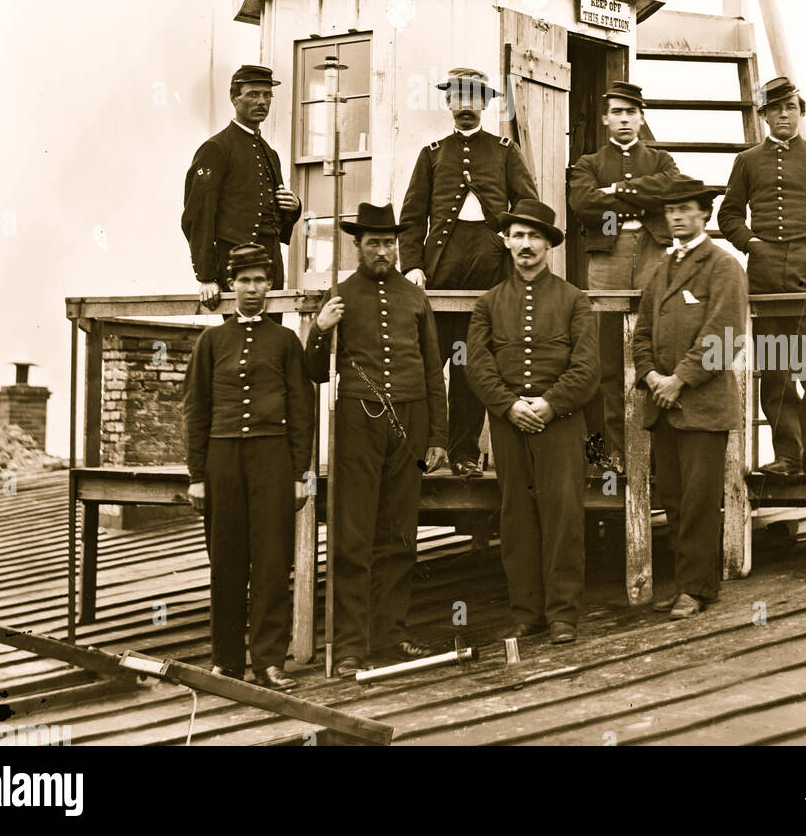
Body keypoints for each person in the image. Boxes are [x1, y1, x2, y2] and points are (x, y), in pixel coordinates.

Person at [306, 202, 449, 679]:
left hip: (409, 423)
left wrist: (438, 437)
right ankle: (350, 644)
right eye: (373, 244)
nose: (383, 251)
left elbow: (433, 370)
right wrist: (318, 329)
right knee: (353, 536)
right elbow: (312, 372)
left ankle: (393, 632)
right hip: (357, 423)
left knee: (400, 533)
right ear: (358, 247)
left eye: (389, 243)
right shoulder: (339, 296)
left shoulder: (414, 297)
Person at [466, 200, 599, 644]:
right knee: (516, 517)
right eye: (517, 236)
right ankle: (527, 613)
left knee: (563, 516)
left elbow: (586, 369)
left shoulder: (573, 300)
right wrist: (508, 406)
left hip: (559, 424)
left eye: (534, 237)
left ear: (548, 245)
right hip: (509, 424)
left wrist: (548, 403)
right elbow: (478, 367)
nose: (525, 245)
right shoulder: (488, 303)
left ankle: (563, 614)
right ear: (506, 243)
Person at [183, 244, 314, 688]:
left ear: (270, 284)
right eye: (244, 281)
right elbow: (196, 410)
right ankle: (226, 660)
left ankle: (270, 660)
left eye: (260, 280)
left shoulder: (285, 342)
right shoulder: (212, 341)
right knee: (226, 561)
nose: (253, 289)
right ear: (230, 286)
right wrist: (197, 477)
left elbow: (301, 411)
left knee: (273, 562)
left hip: (273, 461)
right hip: (222, 463)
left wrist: (300, 474)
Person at [399, 66, 538, 479]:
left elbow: (527, 206)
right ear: (447, 103)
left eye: (473, 98)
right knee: (428, 364)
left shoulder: (504, 151)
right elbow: (411, 218)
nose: (465, 106)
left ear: (485, 104)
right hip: (440, 272)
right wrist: (413, 266)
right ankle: (423, 450)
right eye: (457, 98)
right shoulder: (432, 154)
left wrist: (510, 250)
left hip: (489, 271)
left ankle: (463, 454)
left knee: (471, 367)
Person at [718, 77, 806, 476]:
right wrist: (752, 245)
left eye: (791, 107)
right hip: (764, 279)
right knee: (778, 369)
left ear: (801, 112)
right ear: (762, 115)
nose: (784, 114)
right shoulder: (747, 162)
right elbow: (728, 215)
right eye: (775, 108)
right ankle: (788, 456)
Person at [631, 177, 746, 619]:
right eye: (670, 210)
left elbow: (726, 334)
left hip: (701, 407)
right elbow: (642, 335)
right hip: (662, 406)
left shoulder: (723, 265)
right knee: (675, 501)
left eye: (686, 209)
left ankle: (696, 589)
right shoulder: (659, 270)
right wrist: (651, 375)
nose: (676, 217)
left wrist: (679, 379)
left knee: (699, 501)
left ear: (704, 214)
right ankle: (688, 583)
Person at [568, 81, 680, 471]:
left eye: (631, 112)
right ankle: (616, 453)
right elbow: (583, 202)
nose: (624, 119)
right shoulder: (588, 163)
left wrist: (616, 188)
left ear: (642, 117)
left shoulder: (661, 160)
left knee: (656, 352)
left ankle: (653, 454)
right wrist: (641, 196)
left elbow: (670, 188)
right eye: (616, 112)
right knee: (609, 362)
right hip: (607, 261)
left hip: (653, 256)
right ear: (604, 119)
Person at [182, 64, 302, 311]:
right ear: (234, 97)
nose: (262, 102)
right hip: (235, 267)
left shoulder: (270, 153)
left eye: (267, 95)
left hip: (271, 267)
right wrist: (206, 277)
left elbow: (275, 217)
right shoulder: (216, 148)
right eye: (253, 94)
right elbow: (198, 215)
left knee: (271, 339)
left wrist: (294, 206)